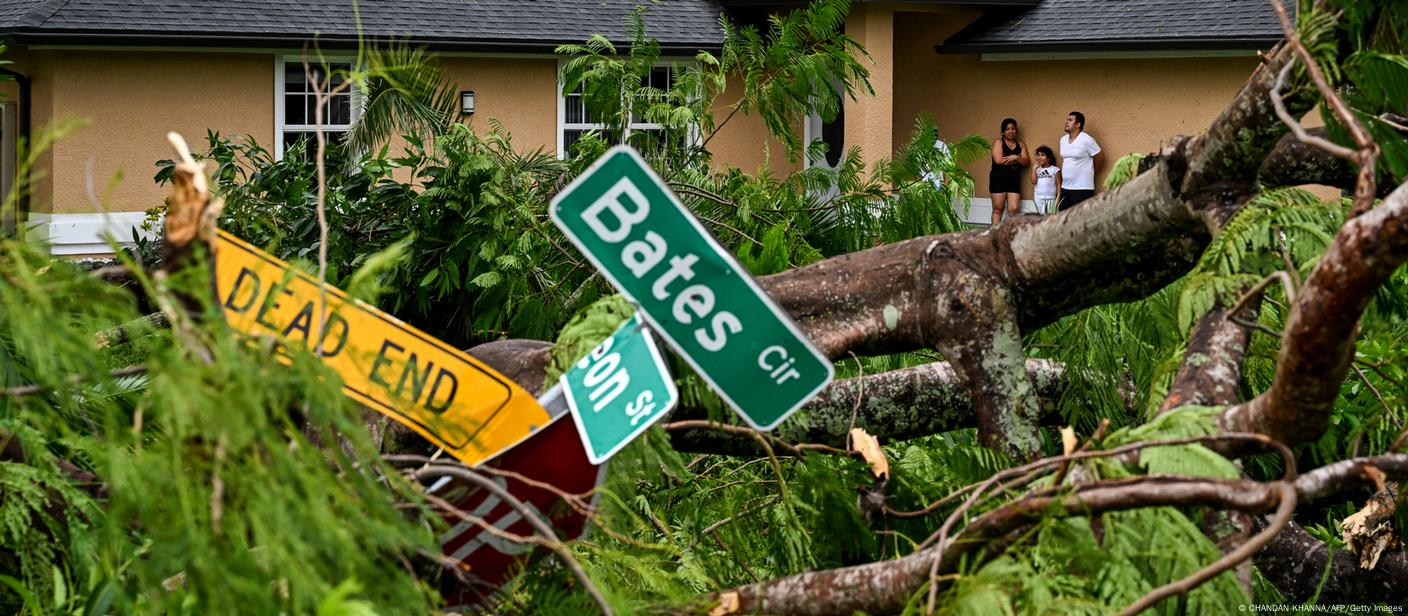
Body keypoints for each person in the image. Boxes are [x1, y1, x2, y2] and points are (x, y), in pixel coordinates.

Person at [1058, 111, 1102, 211]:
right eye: (1066, 119)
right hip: (1065, 187)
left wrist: (1093, 170)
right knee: (1063, 218)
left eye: (1070, 120)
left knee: (1080, 220)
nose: (1066, 122)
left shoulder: (1086, 140)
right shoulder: (1063, 140)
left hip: (1082, 188)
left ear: (1078, 124)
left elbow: (1099, 156)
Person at [989, 118, 1029, 224]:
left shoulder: (1021, 144)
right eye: (1007, 129)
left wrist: (1015, 157)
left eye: (1013, 129)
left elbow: (1026, 162)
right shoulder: (998, 142)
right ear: (1003, 131)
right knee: (998, 209)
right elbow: (998, 160)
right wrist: (1017, 159)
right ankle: (994, 236)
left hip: (1013, 180)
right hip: (998, 179)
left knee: (1014, 209)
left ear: (1016, 130)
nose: (1011, 131)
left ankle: (1012, 235)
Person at [1031, 145, 1061, 214]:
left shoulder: (1055, 169)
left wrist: (1058, 198)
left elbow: (1059, 184)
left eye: (1043, 155)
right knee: (1040, 217)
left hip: (1050, 197)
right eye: (1038, 155)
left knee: (1050, 216)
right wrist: (1033, 169)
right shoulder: (1037, 169)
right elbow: (1033, 182)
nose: (1040, 157)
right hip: (1038, 197)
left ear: (1049, 158)